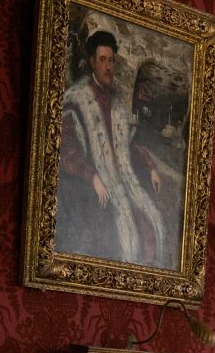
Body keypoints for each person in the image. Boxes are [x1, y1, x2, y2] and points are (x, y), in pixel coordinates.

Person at [58, 27, 172, 268]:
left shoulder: (118, 104)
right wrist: (92, 176)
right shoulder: (76, 100)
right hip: (90, 185)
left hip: (122, 181)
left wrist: (150, 166)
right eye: (103, 60)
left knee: (151, 219)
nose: (108, 66)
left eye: (111, 60)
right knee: (118, 230)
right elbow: (67, 150)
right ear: (92, 62)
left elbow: (125, 146)